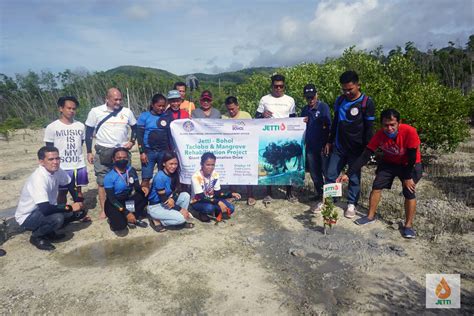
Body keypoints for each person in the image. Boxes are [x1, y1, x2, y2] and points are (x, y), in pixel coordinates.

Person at [337, 109, 422, 239]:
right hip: (390, 162)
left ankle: (408, 226)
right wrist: (348, 173)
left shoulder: (410, 132)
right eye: (386, 125)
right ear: (381, 125)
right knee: (376, 186)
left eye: (392, 124)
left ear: (399, 122)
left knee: (409, 191)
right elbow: (365, 156)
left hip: (410, 164)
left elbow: (411, 157)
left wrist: (408, 177)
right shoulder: (379, 135)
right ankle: (370, 216)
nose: (389, 128)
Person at [325, 70, 375, 218]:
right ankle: (330, 201)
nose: (347, 92)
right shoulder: (340, 101)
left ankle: (351, 204)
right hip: (339, 147)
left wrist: (367, 150)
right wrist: (329, 140)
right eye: (344, 89)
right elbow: (335, 122)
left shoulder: (366, 103)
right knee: (330, 174)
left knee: (353, 177)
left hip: (356, 149)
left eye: (350, 89)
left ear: (358, 85)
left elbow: (369, 128)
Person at [15, 146, 85, 251]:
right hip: (28, 216)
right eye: (51, 159)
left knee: (79, 213)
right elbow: (46, 209)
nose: (55, 162)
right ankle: (37, 237)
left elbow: (69, 183)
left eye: (57, 158)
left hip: (45, 209)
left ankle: (49, 232)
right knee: (58, 218)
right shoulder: (39, 178)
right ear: (41, 162)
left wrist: (78, 202)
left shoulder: (57, 170)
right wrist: (69, 207)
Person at [85, 88, 137, 219]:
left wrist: (132, 141)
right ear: (107, 99)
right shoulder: (95, 111)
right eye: (115, 99)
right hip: (104, 150)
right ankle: (105, 210)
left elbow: (135, 128)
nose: (118, 102)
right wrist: (89, 151)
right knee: (102, 181)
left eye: (120, 99)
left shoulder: (127, 112)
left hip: (122, 151)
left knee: (127, 180)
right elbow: (89, 132)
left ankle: (129, 209)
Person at [44, 96, 90, 221]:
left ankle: (80, 213)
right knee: (62, 192)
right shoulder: (52, 127)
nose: (71, 111)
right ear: (61, 108)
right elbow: (48, 149)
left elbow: (80, 143)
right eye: (68, 108)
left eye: (74, 109)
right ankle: (63, 214)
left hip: (78, 164)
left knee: (78, 191)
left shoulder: (80, 126)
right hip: (62, 166)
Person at [256, 74, 297, 203]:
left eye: (281, 86)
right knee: (268, 161)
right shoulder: (264, 99)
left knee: (287, 163)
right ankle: (268, 193)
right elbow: (256, 117)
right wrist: (262, 115)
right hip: (268, 136)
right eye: (276, 86)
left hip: (285, 137)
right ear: (272, 86)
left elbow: (294, 118)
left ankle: (289, 193)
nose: (278, 89)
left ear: (284, 86)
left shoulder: (290, 100)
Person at [300, 84, 331, 208]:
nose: (310, 100)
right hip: (310, 147)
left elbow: (329, 125)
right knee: (314, 173)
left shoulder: (323, 107)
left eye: (312, 97)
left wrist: (329, 142)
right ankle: (320, 194)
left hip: (323, 146)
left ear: (316, 95)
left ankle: (330, 198)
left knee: (327, 172)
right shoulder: (304, 110)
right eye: (308, 98)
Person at [147, 151, 194, 232]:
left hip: (166, 201)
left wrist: (173, 198)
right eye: (171, 164)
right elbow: (164, 199)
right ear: (164, 164)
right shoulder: (160, 177)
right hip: (156, 206)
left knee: (185, 195)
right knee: (181, 218)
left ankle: (177, 218)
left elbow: (178, 190)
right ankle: (156, 219)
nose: (174, 166)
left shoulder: (174, 173)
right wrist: (180, 209)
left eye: (175, 164)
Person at [103, 148, 148, 232]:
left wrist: (144, 188)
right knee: (120, 226)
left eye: (124, 157)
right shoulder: (109, 177)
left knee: (145, 194)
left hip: (127, 199)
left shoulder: (131, 170)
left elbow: (137, 187)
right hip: (114, 202)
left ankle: (132, 216)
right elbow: (112, 199)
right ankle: (117, 218)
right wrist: (126, 213)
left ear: (128, 158)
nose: (122, 160)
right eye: (119, 158)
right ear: (113, 159)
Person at [222, 96, 255, 205]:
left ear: (238, 106)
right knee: (231, 171)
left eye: (233, 109)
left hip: (245, 148)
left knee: (247, 171)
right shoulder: (224, 118)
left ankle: (250, 195)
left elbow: (253, 130)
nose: (231, 111)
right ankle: (233, 194)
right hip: (231, 149)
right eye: (229, 109)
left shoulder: (246, 116)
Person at [137, 93, 173, 192]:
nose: (161, 108)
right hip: (149, 152)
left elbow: (171, 134)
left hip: (163, 152)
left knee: (163, 176)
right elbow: (139, 136)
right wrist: (142, 152)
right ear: (152, 105)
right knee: (146, 178)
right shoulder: (144, 116)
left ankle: (162, 198)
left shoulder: (167, 117)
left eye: (163, 106)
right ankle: (143, 202)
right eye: (159, 106)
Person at [191, 152, 241, 222]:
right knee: (209, 208)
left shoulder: (215, 174)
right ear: (202, 164)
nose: (210, 167)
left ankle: (216, 210)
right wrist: (219, 203)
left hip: (212, 199)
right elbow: (202, 197)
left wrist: (230, 194)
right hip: (198, 201)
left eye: (213, 165)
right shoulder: (195, 177)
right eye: (208, 165)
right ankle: (200, 213)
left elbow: (218, 194)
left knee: (231, 208)